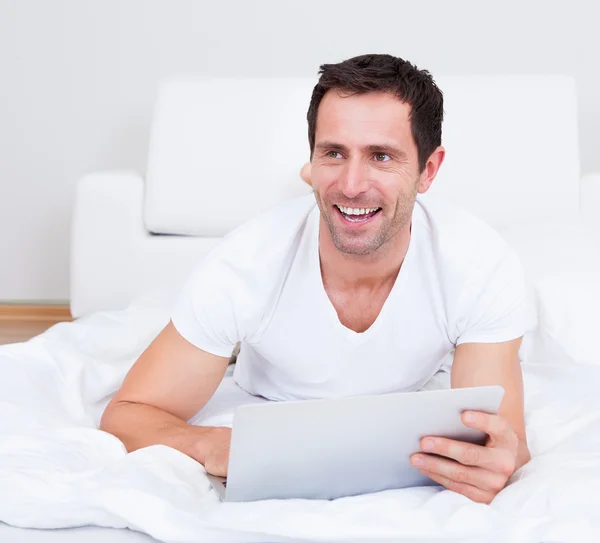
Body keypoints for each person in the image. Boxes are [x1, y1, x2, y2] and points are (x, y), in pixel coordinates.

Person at [100, 54, 535, 504]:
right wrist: (210, 444)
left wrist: (500, 461)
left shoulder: (479, 263)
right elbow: (129, 412)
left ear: (429, 170)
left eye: (381, 156)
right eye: (333, 153)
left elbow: (508, 441)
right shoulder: (244, 264)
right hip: (270, 393)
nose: (350, 183)